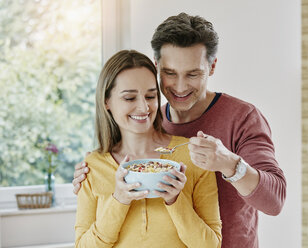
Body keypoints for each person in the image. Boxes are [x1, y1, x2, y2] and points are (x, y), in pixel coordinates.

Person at [73, 13, 286, 248]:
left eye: (193, 74)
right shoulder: (146, 121)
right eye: (170, 73)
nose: (181, 87)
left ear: (212, 66)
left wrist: (229, 164)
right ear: (157, 67)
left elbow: (274, 202)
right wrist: (92, 177)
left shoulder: (243, 118)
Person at [74, 50, 221, 247]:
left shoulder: (192, 156)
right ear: (106, 101)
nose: (144, 108)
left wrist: (175, 201)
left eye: (151, 96)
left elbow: (211, 245)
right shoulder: (92, 166)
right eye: (129, 98)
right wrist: (119, 200)